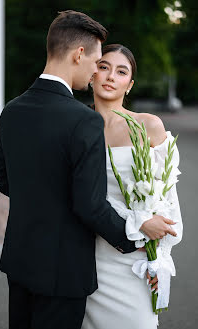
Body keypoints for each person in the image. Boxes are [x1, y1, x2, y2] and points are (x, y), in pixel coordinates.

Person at [0, 11, 177, 329]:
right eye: (98, 63)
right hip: (66, 268)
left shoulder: (11, 111)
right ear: (80, 55)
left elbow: (4, 181)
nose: (99, 72)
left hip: (21, 261)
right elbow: (88, 204)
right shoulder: (83, 119)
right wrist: (135, 240)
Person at [82, 44, 183, 329]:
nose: (111, 76)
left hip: (136, 259)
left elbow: (168, 198)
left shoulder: (148, 126)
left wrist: (159, 261)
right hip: (90, 256)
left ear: (130, 85)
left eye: (121, 71)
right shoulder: (76, 128)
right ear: (92, 75)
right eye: (103, 67)